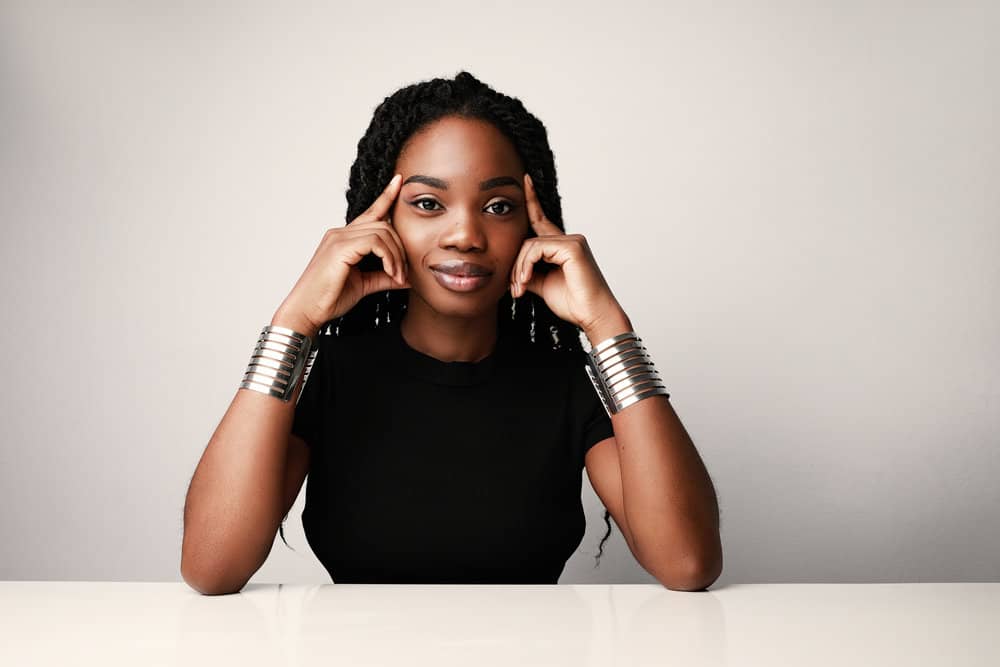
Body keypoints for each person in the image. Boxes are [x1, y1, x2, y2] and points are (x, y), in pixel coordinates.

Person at [181, 71, 722, 592]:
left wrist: (609, 327)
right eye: (427, 204)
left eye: (498, 206)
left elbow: (687, 563)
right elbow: (211, 566)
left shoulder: (564, 382)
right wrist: (294, 322)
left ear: (532, 227)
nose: (465, 233)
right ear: (382, 221)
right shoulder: (334, 376)